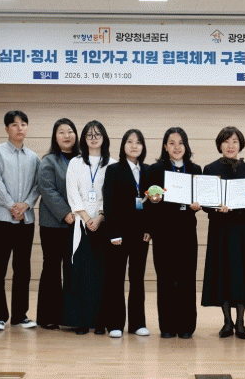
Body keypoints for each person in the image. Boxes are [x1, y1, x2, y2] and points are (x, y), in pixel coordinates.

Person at [0, 110, 40, 331]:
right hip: (0, 220)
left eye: (23, 124)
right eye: (15, 125)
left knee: (23, 270)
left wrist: (25, 205)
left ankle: (20, 315)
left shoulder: (34, 158)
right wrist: (11, 206)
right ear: (6, 128)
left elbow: (37, 186)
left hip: (25, 221)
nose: (20, 128)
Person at [201, 126, 245, 340]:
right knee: (222, 274)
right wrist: (216, 208)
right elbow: (205, 203)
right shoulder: (210, 169)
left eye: (234, 141)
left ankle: (241, 322)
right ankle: (227, 322)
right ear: (220, 145)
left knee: (241, 275)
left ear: (240, 144)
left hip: (243, 230)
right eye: (226, 141)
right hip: (220, 230)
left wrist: (242, 207)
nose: (230, 145)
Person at [148, 127, 202, 339]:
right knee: (166, 278)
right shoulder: (155, 169)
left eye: (180, 143)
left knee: (187, 278)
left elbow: (203, 200)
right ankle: (167, 326)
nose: (176, 147)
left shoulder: (195, 169)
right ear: (165, 146)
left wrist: (198, 205)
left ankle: (186, 326)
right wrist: (154, 200)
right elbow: (147, 201)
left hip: (187, 231)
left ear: (186, 145)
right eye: (172, 143)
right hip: (163, 232)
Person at [63, 121, 115, 335]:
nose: (93, 138)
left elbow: (112, 195)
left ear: (104, 138)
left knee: (102, 274)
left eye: (97, 134)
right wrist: (85, 218)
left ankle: (100, 321)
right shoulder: (75, 163)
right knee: (81, 273)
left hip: (103, 224)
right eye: (89, 135)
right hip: (80, 223)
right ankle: (81, 321)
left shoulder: (112, 164)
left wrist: (100, 217)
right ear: (83, 139)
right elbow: (72, 191)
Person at [102, 129, 152, 338]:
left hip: (141, 235)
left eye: (138, 142)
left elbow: (151, 205)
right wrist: (113, 232)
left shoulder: (148, 170)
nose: (134, 146)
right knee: (116, 279)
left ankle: (137, 323)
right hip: (119, 235)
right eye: (130, 142)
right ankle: (115, 324)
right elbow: (109, 203)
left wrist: (149, 229)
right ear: (123, 146)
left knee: (137, 279)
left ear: (143, 147)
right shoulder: (113, 169)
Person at [36, 118, 79, 330]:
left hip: (78, 223)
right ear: (55, 137)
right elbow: (47, 190)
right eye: (61, 132)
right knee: (52, 268)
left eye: (70, 131)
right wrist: (65, 213)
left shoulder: (82, 160)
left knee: (73, 269)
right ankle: (48, 316)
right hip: (53, 224)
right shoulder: (49, 161)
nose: (66, 135)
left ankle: (71, 317)